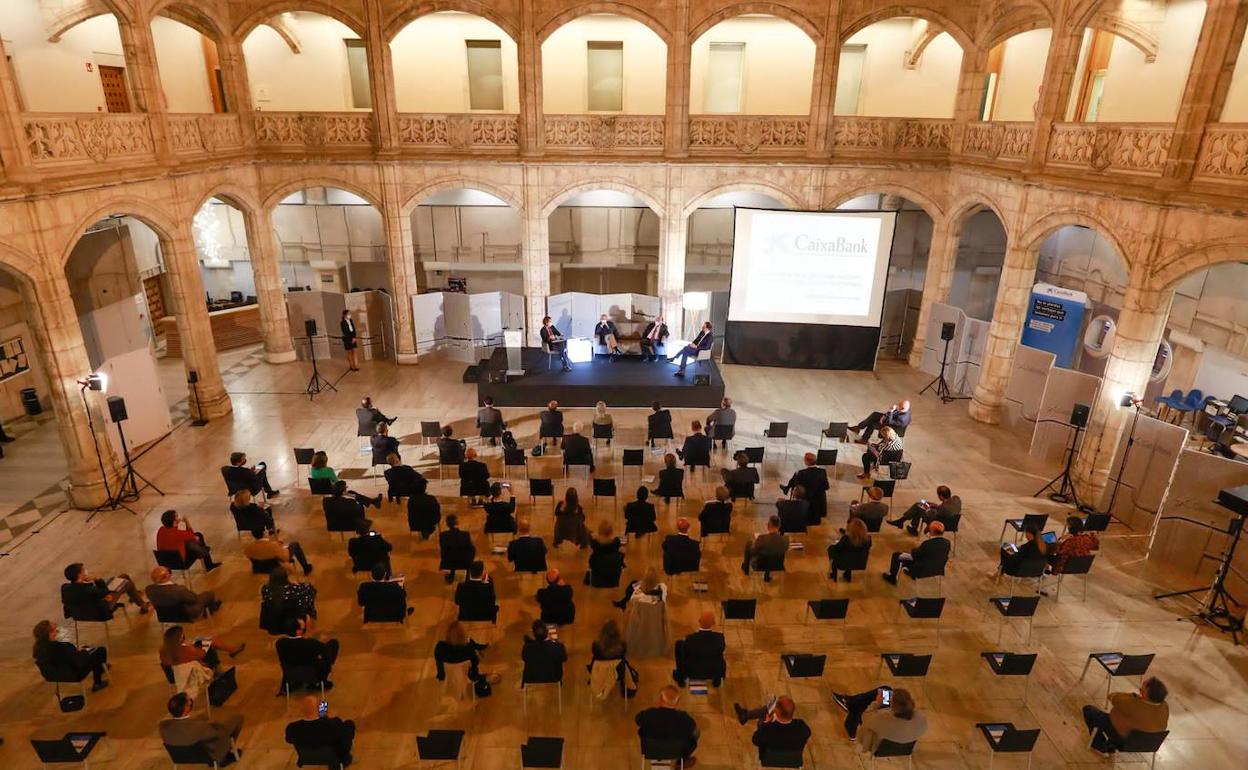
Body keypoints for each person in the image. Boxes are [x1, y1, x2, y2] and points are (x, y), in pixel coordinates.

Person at [1082, 677, 1170, 754]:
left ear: (1146, 693)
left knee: (1089, 710)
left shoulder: (1133, 704)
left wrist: (1134, 696)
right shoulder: (1164, 706)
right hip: (1150, 744)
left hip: (1124, 741)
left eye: (1144, 684)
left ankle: (1100, 746)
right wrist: (1141, 697)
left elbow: (1112, 696)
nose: (1142, 684)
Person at [160, 692, 244, 766]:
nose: (191, 701)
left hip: (180, 757)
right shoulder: (198, 725)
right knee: (237, 719)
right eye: (189, 701)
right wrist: (216, 724)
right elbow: (217, 734)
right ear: (186, 708)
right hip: (208, 755)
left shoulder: (163, 726)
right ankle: (225, 756)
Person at [832, 686, 927, 749]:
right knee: (886, 689)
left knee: (859, 708)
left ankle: (850, 720)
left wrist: (877, 703)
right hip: (905, 748)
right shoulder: (921, 719)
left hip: (876, 746)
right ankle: (850, 702)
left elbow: (865, 719)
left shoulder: (882, 721)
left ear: (893, 707)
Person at [32, 619, 109, 691]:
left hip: (55, 676)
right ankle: (97, 683)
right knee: (99, 650)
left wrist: (76, 652)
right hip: (75, 674)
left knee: (89, 650)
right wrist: (83, 652)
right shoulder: (64, 646)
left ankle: (100, 667)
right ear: (50, 633)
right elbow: (79, 661)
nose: (57, 630)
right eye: (55, 628)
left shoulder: (37, 651)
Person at [733, 696, 813, 762]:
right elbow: (808, 733)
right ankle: (746, 716)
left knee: (762, 718)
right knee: (767, 712)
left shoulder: (768, 729)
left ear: (777, 712)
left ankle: (746, 716)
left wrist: (766, 723)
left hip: (769, 757)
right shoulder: (802, 727)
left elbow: (755, 740)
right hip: (792, 758)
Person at [636, 686, 699, 766]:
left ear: (661, 699)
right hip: (676, 752)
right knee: (696, 733)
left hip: (650, 751)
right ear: (677, 702)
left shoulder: (649, 714)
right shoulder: (684, 718)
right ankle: (682, 760)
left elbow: (637, 720)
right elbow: (693, 726)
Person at [285, 694, 356, 766]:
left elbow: (288, 740)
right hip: (332, 757)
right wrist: (333, 719)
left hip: (307, 758)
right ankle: (344, 760)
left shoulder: (292, 728)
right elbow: (345, 730)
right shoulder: (331, 726)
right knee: (348, 727)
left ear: (301, 710)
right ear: (319, 709)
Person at [62, 562, 150, 617]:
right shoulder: (88, 589)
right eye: (83, 571)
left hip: (83, 609)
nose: (85, 572)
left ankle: (135, 597)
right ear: (79, 575)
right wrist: (96, 579)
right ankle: (143, 605)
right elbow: (105, 591)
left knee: (124, 576)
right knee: (128, 583)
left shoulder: (65, 587)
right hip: (101, 608)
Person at [276, 616, 339, 689]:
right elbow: (324, 650)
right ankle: (321, 681)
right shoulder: (310, 643)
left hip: (291, 674)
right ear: (298, 631)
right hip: (313, 674)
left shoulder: (280, 643)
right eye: (304, 628)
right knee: (333, 643)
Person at [159, 624, 245, 676]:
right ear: (180, 638)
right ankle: (229, 652)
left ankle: (230, 650)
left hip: (177, 675)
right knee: (210, 645)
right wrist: (193, 645)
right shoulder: (186, 650)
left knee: (203, 640)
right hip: (196, 671)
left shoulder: (163, 651)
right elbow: (202, 655)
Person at [882, 521, 951, 585]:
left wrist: (915, 549)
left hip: (921, 569)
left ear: (932, 531)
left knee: (896, 555)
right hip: (937, 569)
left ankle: (892, 577)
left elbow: (915, 555)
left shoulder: (927, 544)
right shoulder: (947, 542)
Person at [623, 568, 669, 657]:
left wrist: (639, 586)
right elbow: (664, 599)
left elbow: (632, 600)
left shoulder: (638, 594)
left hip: (641, 621)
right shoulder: (662, 587)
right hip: (656, 622)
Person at [435, 621, 500, 685]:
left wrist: (441, 676)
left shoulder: (439, 647)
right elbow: (474, 668)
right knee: (471, 643)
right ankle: (479, 647)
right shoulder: (469, 650)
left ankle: (479, 647)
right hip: (465, 674)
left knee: (470, 643)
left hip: (448, 675)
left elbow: (439, 664)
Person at [672, 610, 725, 687]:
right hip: (713, 671)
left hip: (693, 672)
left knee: (679, 644)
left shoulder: (690, 638)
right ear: (713, 623)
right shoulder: (720, 638)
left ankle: (681, 677)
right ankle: (717, 681)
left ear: (699, 621)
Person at [146, 566, 221, 619]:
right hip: (185, 614)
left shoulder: (148, 589)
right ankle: (212, 608)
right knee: (209, 594)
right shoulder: (178, 590)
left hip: (165, 615)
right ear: (166, 576)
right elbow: (193, 599)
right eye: (168, 572)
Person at [155, 509, 219, 571]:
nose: (179, 517)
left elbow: (179, 536)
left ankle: (203, 551)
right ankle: (206, 557)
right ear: (174, 521)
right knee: (197, 537)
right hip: (179, 562)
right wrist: (186, 521)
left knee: (191, 542)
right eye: (177, 516)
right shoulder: (178, 534)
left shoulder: (161, 529)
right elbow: (192, 536)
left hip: (164, 561)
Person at [312, 454, 382, 508]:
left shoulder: (313, 470)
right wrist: (343, 485)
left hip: (321, 490)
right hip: (333, 490)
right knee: (352, 493)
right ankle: (373, 502)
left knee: (352, 493)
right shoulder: (328, 470)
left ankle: (373, 502)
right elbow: (336, 482)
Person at [888, 485, 961, 534]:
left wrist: (928, 509)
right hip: (952, 523)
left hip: (938, 522)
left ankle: (903, 522)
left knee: (919, 507)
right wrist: (936, 506)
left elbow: (935, 516)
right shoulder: (956, 499)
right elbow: (946, 509)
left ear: (941, 496)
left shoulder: (943, 508)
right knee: (920, 506)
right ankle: (905, 524)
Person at [588, 619, 632, 699]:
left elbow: (595, 655)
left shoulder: (596, 645)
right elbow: (623, 656)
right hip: (618, 672)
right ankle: (624, 689)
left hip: (600, 672)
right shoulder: (622, 645)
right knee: (624, 664)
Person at [781, 453, 829, 524]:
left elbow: (796, 486)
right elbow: (826, 487)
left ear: (806, 462)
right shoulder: (822, 472)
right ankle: (786, 488)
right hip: (819, 503)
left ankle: (787, 488)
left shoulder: (801, 473)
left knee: (795, 477)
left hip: (806, 502)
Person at [245, 527, 314, 574]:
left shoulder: (248, 548)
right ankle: (306, 568)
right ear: (264, 533)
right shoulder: (273, 546)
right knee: (295, 544)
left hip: (258, 570)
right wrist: (280, 547)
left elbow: (250, 554)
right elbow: (285, 558)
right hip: (274, 568)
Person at [521, 620, 568, 685]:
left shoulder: (527, 648)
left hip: (531, 677)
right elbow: (564, 658)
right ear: (547, 633)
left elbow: (524, 658)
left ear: (533, 633)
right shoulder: (558, 647)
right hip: (553, 677)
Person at [828, 517, 872, 582]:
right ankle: (847, 573)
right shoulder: (868, 539)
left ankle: (833, 573)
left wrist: (835, 544)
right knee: (851, 553)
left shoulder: (846, 539)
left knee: (831, 549)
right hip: (860, 563)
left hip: (843, 564)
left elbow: (837, 548)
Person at [439, 514, 476, 583]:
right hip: (464, 562)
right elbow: (471, 548)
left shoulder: (443, 535)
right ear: (457, 523)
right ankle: (468, 574)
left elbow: (442, 548)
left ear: (447, 524)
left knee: (452, 552)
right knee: (469, 551)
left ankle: (452, 574)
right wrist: (471, 559)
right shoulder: (465, 534)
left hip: (448, 562)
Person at [588, 520, 626, 586]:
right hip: (613, 579)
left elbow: (591, 563)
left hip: (597, 580)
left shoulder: (595, 543)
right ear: (611, 531)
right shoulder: (616, 541)